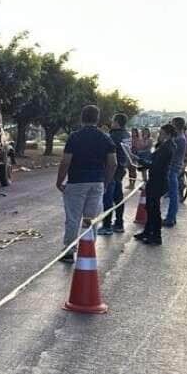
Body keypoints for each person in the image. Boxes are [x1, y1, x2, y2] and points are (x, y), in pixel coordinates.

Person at [56, 105, 117, 263]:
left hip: (76, 182)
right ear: (97, 119)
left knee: (73, 218)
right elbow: (113, 163)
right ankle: (88, 250)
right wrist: (106, 182)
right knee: (91, 218)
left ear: (81, 117)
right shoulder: (105, 138)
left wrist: (59, 181)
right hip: (97, 182)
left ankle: (69, 251)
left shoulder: (74, 137)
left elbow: (65, 162)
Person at [135, 124, 177, 245]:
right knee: (149, 207)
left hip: (159, 181)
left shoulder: (168, 147)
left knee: (154, 209)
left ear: (168, 135)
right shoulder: (164, 146)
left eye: (162, 133)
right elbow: (153, 160)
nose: (159, 135)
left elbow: (157, 164)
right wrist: (143, 165)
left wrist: (142, 162)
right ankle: (147, 231)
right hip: (155, 179)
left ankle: (156, 235)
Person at [100, 114, 132, 235]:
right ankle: (119, 223)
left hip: (112, 170)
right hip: (121, 169)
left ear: (117, 122)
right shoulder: (127, 135)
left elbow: (106, 153)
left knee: (108, 198)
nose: (111, 122)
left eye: (112, 121)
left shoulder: (113, 136)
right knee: (118, 198)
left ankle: (107, 225)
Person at [164, 117, 187, 227]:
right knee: (173, 194)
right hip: (175, 167)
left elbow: (170, 154)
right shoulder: (181, 137)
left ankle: (170, 218)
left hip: (173, 168)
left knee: (173, 195)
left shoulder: (179, 139)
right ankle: (171, 217)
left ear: (175, 126)